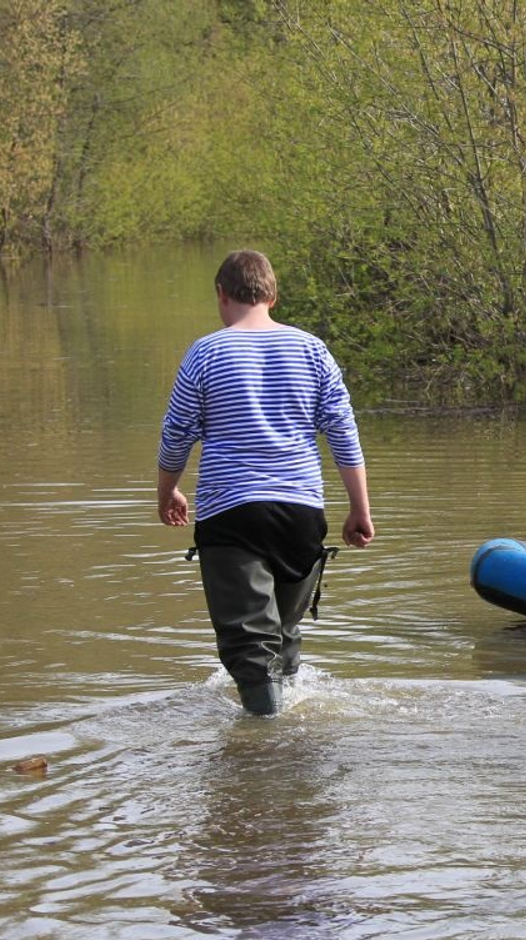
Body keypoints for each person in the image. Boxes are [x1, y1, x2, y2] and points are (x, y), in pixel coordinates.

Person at [156, 250, 374, 716]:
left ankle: (266, 745)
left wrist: (167, 490)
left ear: (221, 294)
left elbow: (177, 431)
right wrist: (359, 509)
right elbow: (342, 430)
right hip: (301, 513)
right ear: (272, 295)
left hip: (232, 512)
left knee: (250, 642)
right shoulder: (313, 350)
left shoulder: (206, 352)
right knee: (284, 630)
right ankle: (290, 737)